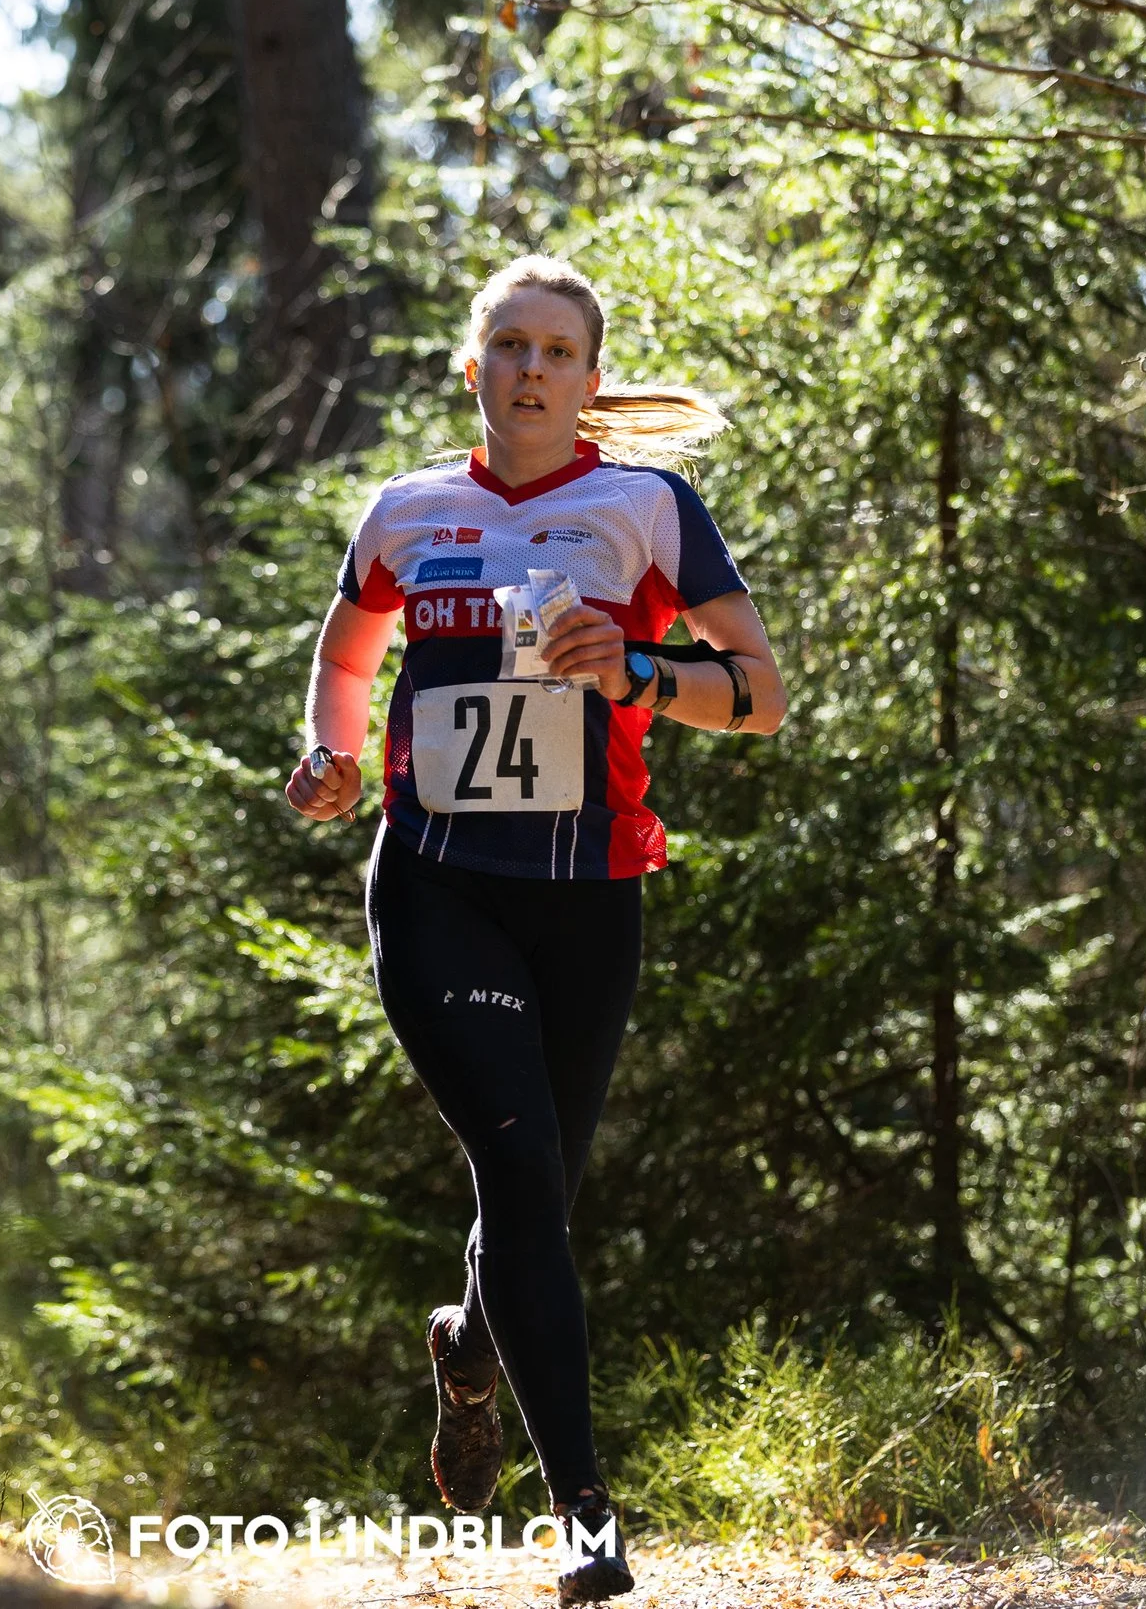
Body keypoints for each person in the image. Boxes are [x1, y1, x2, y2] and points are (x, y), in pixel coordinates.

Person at [281, 255, 787, 1605]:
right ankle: (585, 1519)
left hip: (586, 895)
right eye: (509, 343)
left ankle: (467, 1348)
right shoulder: (409, 509)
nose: (532, 368)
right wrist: (330, 758)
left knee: (539, 1196)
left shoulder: (648, 510)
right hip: (437, 883)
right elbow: (343, 661)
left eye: (558, 349)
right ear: (474, 369)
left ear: (591, 379)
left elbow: (763, 692)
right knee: (516, 1171)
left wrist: (636, 670)